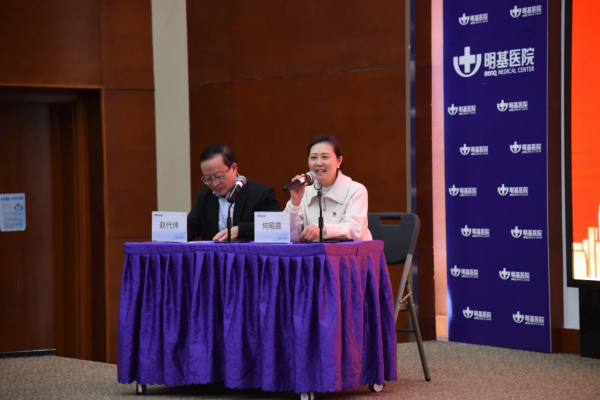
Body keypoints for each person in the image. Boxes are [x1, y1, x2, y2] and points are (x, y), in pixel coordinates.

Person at [285, 135, 372, 242]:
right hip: (314, 253)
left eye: (325, 157)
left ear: (339, 161)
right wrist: (294, 203)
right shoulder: (304, 193)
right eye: (313, 158)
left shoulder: (356, 190)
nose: (318, 163)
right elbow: (286, 234)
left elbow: (354, 230)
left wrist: (322, 229)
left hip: (350, 252)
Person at [187, 144, 280, 241]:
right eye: (208, 178)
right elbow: (191, 227)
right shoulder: (204, 196)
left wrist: (240, 230)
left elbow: (275, 226)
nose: (214, 183)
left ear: (234, 168)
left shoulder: (261, 194)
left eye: (219, 176)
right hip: (213, 251)